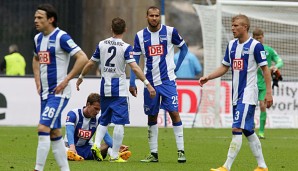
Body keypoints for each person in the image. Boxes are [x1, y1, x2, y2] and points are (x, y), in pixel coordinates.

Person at [198, 15, 273, 171]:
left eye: (236, 25)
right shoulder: (231, 45)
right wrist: (208, 77)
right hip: (236, 95)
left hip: (248, 94)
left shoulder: (255, 46)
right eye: (232, 25)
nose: (232, 28)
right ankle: (262, 166)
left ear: (245, 27)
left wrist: (269, 93)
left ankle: (226, 167)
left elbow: (266, 70)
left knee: (236, 128)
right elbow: (225, 67)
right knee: (247, 130)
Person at [76, 17, 156, 163]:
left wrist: (81, 76)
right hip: (119, 90)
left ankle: (95, 144)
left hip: (105, 88)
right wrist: (147, 84)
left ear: (111, 29)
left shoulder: (102, 44)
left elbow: (90, 63)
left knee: (104, 119)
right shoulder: (126, 47)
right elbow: (135, 67)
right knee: (120, 122)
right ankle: (114, 156)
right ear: (125, 30)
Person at [32, 4, 88, 171]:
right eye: (35, 17)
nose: (36, 20)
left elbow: (82, 58)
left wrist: (66, 80)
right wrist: (37, 80)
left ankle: (38, 169)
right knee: (55, 133)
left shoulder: (61, 37)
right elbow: (36, 59)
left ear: (51, 19)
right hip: (45, 94)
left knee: (43, 128)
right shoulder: (38, 39)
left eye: (40, 18)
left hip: (59, 93)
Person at [129, 6, 188, 163]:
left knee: (174, 113)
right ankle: (153, 153)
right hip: (150, 83)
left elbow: (184, 49)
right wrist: (132, 81)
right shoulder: (140, 36)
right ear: (146, 17)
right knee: (152, 116)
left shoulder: (170, 31)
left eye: (156, 15)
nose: (154, 18)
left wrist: (177, 66)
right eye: (151, 15)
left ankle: (181, 151)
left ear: (159, 17)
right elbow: (134, 61)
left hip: (168, 81)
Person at [64, 93, 131, 161]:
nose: (97, 112)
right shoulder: (73, 114)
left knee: (107, 145)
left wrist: (117, 147)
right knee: (63, 149)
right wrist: (72, 147)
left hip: (87, 148)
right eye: (95, 108)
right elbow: (70, 131)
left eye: (99, 109)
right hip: (70, 146)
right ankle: (72, 154)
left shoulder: (98, 118)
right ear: (88, 104)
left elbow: (106, 137)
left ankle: (115, 154)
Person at [253, 28, 284, 139]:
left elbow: (280, 61)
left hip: (265, 84)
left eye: (260, 38)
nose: (258, 40)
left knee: (262, 106)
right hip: (252, 83)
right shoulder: (251, 50)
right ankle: (250, 125)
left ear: (263, 37)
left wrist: (276, 66)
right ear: (253, 38)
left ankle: (261, 132)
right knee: (250, 106)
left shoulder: (269, 50)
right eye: (256, 38)